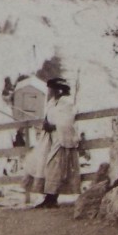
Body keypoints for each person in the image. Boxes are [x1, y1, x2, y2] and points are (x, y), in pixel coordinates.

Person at [21, 76, 82, 208]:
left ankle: (52, 198)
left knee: (54, 168)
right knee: (42, 164)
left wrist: (54, 127)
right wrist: (45, 123)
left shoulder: (67, 103)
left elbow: (68, 122)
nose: (50, 92)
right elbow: (49, 117)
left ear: (59, 90)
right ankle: (48, 197)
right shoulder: (52, 102)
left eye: (52, 90)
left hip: (61, 138)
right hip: (50, 138)